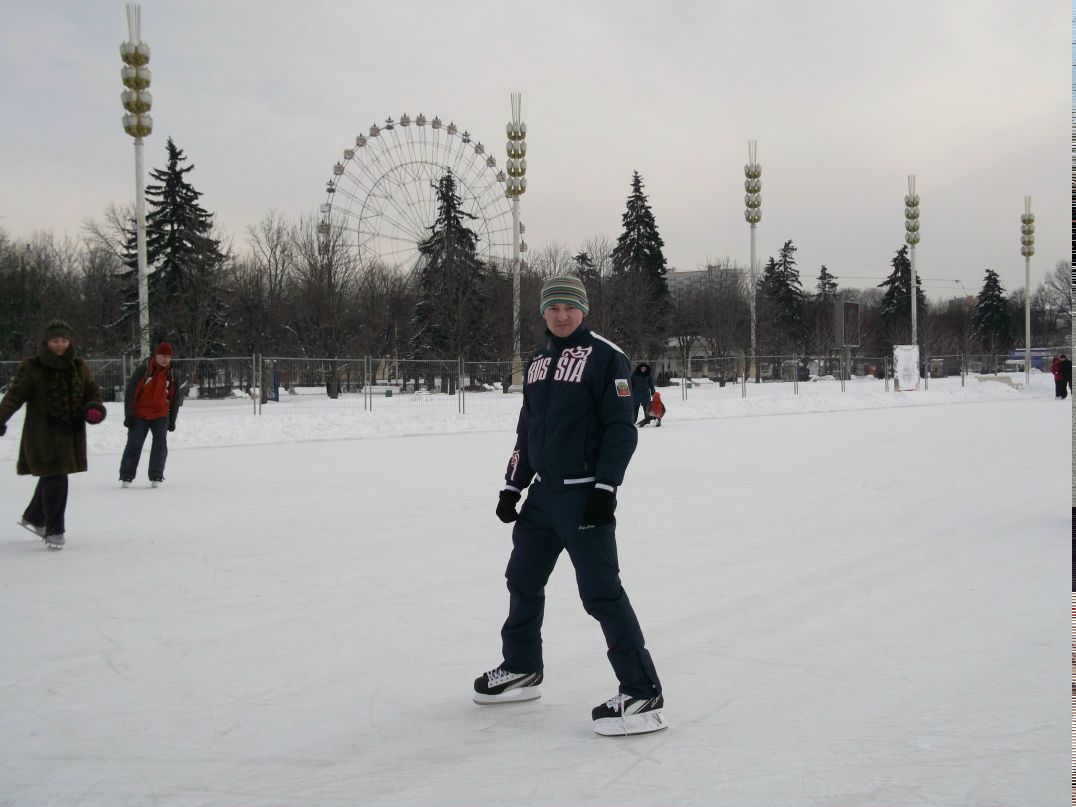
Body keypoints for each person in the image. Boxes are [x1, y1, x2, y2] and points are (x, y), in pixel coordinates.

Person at [474, 275, 666, 736]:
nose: (562, 315)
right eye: (554, 308)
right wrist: (512, 486)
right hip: (543, 495)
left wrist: (605, 489)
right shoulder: (538, 361)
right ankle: (522, 666)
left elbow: (621, 430)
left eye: (570, 307)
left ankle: (642, 692)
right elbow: (528, 431)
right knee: (521, 579)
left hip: (584, 495)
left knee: (601, 593)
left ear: (584, 310)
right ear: (543, 312)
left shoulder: (605, 357)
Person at [0, 320, 106, 550]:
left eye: (64, 340)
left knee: (52, 475)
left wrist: (94, 407)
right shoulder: (32, 367)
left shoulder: (79, 366)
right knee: (57, 477)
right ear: (46, 342)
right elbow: (14, 397)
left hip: (70, 433)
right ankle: (54, 530)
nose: (60, 345)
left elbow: (92, 391)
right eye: (55, 341)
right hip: (43, 435)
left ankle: (35, 517)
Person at [119, 341, 184, 487]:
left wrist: (172, 420)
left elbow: (175, 399)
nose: (165, 359)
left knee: (160, 444)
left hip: (161, 414)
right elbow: (131, 392)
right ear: (156, 355)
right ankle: (126, 475)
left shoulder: (172, 375)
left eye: (168, 356)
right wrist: (129, 415)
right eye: (163, 356)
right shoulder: (145, 369)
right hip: (140, 414)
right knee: (134, 444)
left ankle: (156, 475)